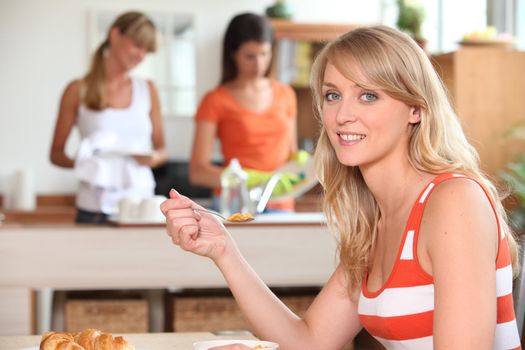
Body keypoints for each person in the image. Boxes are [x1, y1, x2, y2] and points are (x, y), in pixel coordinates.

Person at [161, 25, 521, 349]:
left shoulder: (454, 201)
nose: (342, 115)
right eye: (333, 95)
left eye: (368, 96)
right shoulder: (375, 224)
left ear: (415, 108)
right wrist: (224, 249)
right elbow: (309, 342)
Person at [50, 11, 167, 224]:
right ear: (115, 35)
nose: (141, 55)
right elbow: (56, 153)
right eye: (137, 45)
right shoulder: (77, 90)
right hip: (94, 209)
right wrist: (85, 163)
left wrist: (153, 158)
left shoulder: (147, 90)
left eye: (146, 50)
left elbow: (161, 150)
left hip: (142, 208)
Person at [189, 12, 299, 212]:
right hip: (236, 205)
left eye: (264, 54)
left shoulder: (286, 94)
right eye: (250, 56)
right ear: (233, 54)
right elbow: (198, 172)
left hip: (281, 205)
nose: (258, 64)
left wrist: (303, 165)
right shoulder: (215, 100)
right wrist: (249, 179)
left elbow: (291, 156)